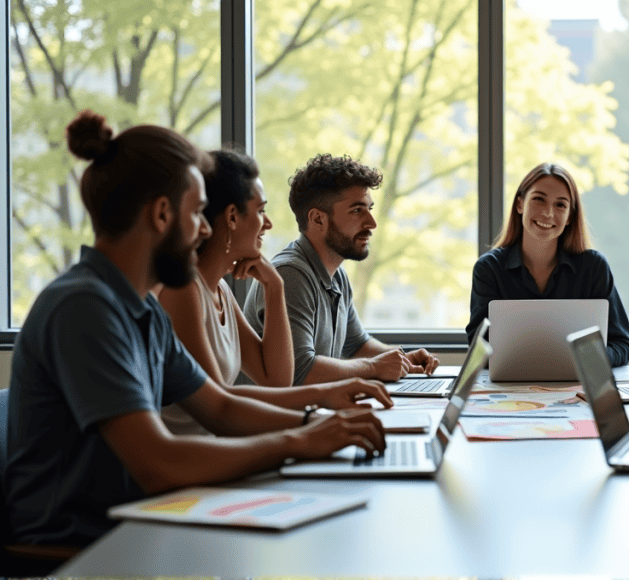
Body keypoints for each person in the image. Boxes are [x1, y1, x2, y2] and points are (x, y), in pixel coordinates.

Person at [3, 111, 385, 547]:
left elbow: (219, 406)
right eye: (199, 213)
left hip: (140, 517)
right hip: (85, 545)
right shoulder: (86, 307)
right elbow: (158, 462)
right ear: (163, 214)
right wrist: (301, 438)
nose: (206, 229)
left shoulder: (139, 305)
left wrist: (317, 423)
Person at [157, 149, 395, 436]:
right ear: (232, 217)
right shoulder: (183, 291)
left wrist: (274, 288)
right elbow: (220, 404)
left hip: (223, 449)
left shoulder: (220, 290)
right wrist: (316, 413)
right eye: (260, 211)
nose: (268, 224)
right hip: (201, 462)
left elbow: (276, 380)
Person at [243, 153, 439, 385]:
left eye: (369, 209)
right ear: (317, 220)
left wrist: (404, 359)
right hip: (274, 418)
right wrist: (374, 367)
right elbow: (300, 370)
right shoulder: (290, 275)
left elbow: (356, 345)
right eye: (357, 211)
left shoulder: (337, 276)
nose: (371, 223)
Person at [467, 162, 629, 366]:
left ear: (570, 217)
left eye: (560, 205)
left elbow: (622, 343)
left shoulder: (593, 267)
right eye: (539, 199)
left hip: (578, 388)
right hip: (511, 388)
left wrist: (587, 361)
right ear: (520, 204)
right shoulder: (489, 269)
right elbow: (478, 347)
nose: (548, 213)